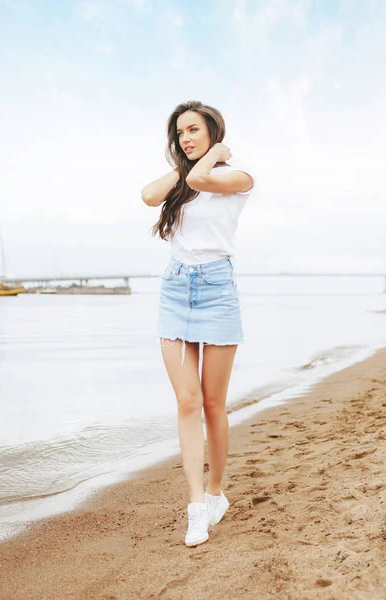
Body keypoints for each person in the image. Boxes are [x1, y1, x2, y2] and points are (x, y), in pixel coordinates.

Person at [141, 100, 256, 547]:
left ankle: (214, 493)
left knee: (212, 404)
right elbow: (149, 195)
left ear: (213, 132)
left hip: (217, 290)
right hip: (175, 290)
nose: (186, 138)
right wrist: (186, 162)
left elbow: (202, 178)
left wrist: (211, 158)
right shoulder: (181, 182)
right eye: (180, 133)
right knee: (186, 402)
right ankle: (194, 506)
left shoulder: (237, 179)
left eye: (194, 130)